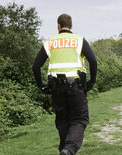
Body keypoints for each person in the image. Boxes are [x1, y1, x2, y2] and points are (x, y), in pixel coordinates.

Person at [32, 14, 97, 155]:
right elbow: (93, 61)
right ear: (71, 26)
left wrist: (41, 86)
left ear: (58, 26)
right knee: (80, 119)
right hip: (75, 86)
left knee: (62, 121)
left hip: (56, 88)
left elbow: (36, 66)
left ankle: (63, 150)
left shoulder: (49, 42)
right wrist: (91, 82)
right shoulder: (79, 41)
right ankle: (69, 149)